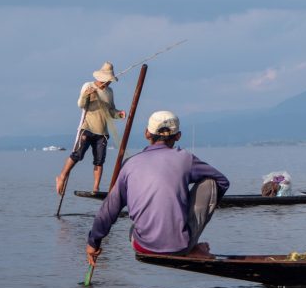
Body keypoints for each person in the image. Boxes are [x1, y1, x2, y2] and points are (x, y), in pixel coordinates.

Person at [85, 110, 230, 266]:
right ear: (178, 136)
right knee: (210, 183)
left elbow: (109, 209)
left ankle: (187, 244)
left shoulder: (130, 164)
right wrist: (191, 205)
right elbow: (222, 181)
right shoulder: (185, 158)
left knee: (131, 223)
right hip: (180, 246)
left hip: (140, 245)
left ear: (147, 133)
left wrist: (93, 242)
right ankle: (190, 246)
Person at [56, 62, 126, 195]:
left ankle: (96, 188)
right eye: (107, 80)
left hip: (102, 132)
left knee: (99, 161)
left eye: (110, 81)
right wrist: (87, 94)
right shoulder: (88, 86)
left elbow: (111, 111)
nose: (108, 83)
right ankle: (62, 176)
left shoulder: (109, 92)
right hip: (87, 127)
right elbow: (81, 104)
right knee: (78, 155)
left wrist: (119, 114)